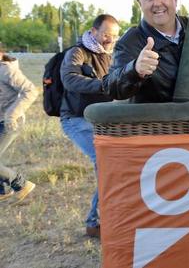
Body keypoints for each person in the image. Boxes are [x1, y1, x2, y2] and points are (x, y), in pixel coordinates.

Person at [60, 14, 120, 237]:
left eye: (113, 36)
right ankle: (94, 222)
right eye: (106, 34)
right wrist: (104, 85)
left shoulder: (111, 56)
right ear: (94, 31)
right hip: (76, 119)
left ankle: (106, 218)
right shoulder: (77, 53)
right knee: (105, 162)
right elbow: (70, 79)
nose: (109, 40)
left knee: (113, 163)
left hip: (101, 121)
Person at [0, 44, 38, 204]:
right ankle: (1, 191)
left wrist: (11, 115)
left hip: (9, 122)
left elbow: (31, 91)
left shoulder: (6, 70)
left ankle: (21, 184)